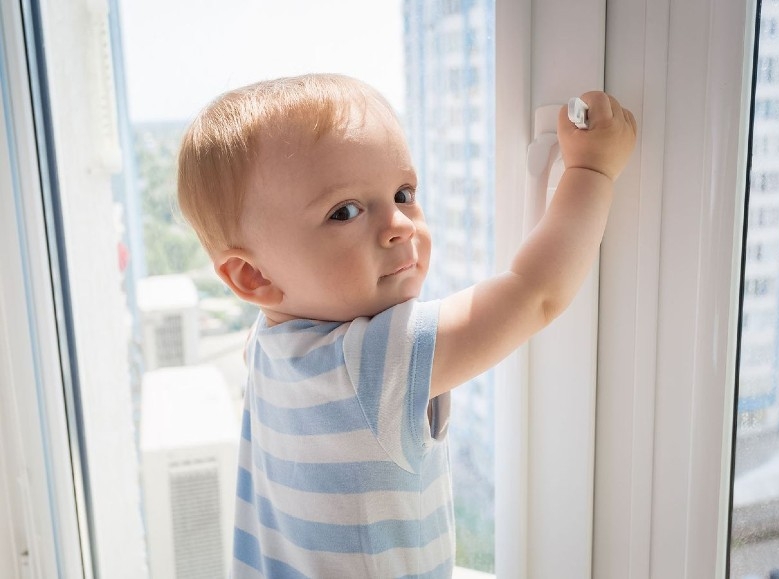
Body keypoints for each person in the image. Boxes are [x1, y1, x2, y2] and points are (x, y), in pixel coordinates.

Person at [177, 73, 636, 578]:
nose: (399, 224)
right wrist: (592, 170)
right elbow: (535, 294)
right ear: (254, 276)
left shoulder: (262, 347)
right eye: (345, 211)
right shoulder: (375, 362)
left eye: (403, 193)